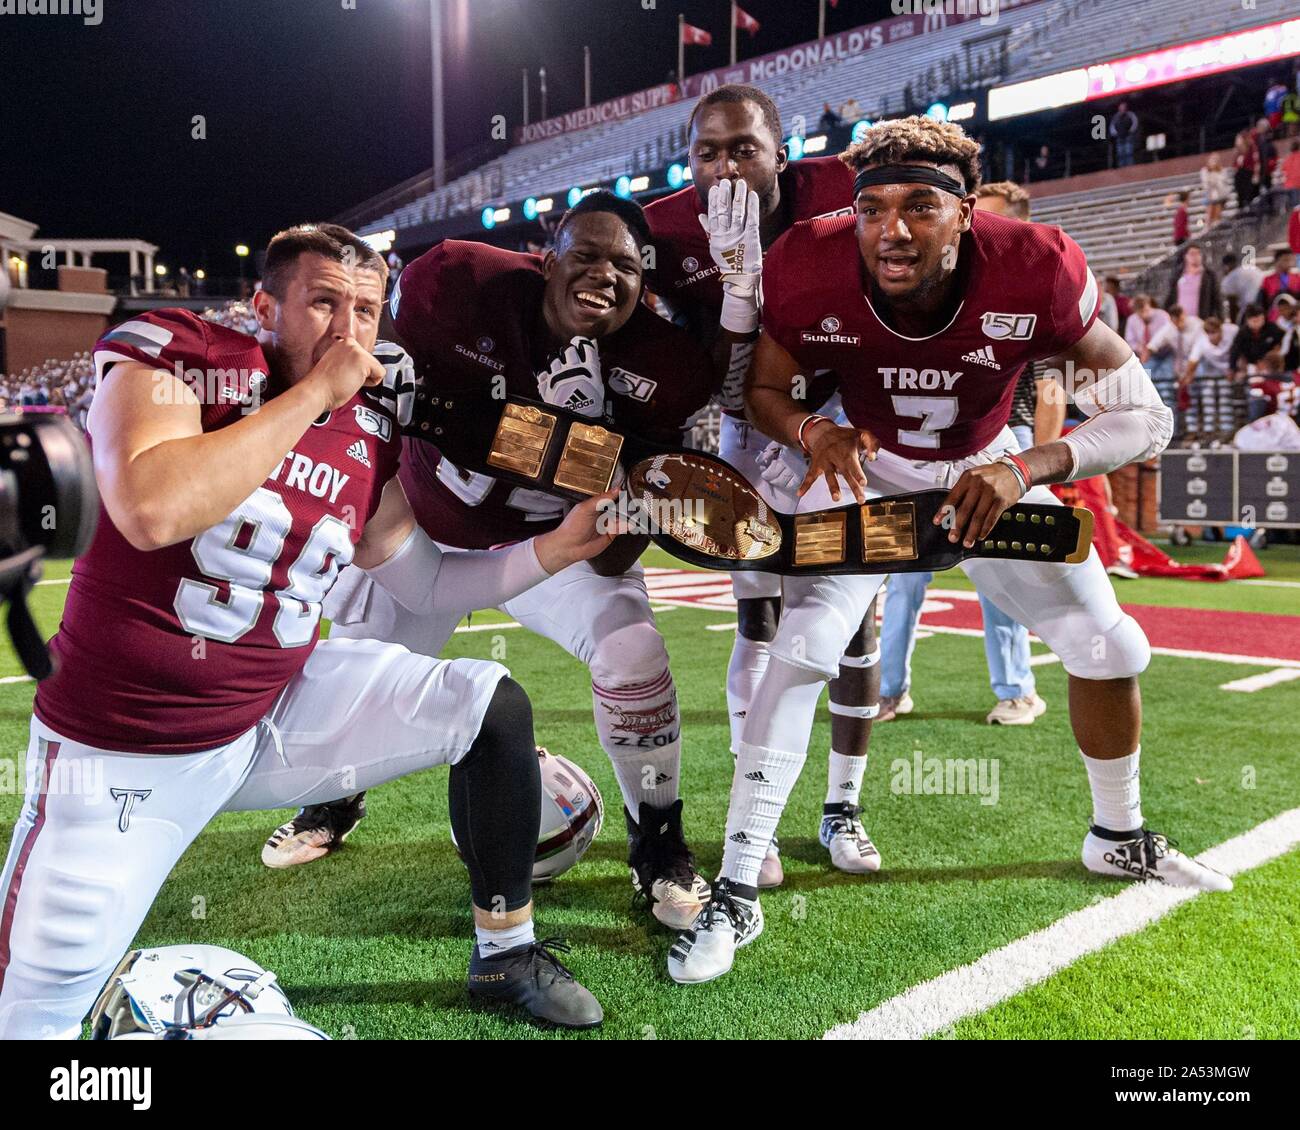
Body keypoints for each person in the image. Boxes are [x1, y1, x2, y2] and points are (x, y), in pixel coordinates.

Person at [0, 223, 623, 1037]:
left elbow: (428, 585)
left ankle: (505, 955)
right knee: (33, 1018)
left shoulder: (366, 429)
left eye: (366, 311)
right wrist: (313, 397)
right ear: (263, 307)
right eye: (323, 302)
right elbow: (152, 509)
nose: (348, 332)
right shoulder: (182, 356)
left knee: (488, 705)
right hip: (124, 752)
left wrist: (554, 548)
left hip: (272, 714)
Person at [668, 116, 1229, 986]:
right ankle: (737, 888)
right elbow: (769, 389)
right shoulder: (811, 259)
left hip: (982, 472)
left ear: (965, 212)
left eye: (921, 207)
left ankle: (1115, 836)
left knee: (1110, 645)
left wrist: (1027, 465)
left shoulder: (1034, 265)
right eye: (874, 208)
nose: (891, 230)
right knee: (804, 647)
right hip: (869, 472)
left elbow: (1144, 414)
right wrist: (815, 429)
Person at [280, 193, 717, 931]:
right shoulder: (458, 281)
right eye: (587, 255)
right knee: (352, 672)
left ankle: (658, 838)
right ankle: (334, 796)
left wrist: (619, 474)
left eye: (627, 267)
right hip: (426, 529)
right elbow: (378, 386)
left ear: (647, 286)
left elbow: (614, 561)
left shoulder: (663, 367)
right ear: (548, 257)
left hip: (558, 549)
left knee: (634, 653)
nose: (605, 275)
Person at [644, 84, 881, 884]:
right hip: (749, 418)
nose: (726, 166)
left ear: (781, 151)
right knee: (760, 612)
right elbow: (714, 375)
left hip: (849, 420)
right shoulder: (668, 231)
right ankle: (761, 812)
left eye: (744, 147)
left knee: (854, 620)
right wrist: (741, 303)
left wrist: (841, 419)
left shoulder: (843, 198)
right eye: (707, 151)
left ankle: (843, 805)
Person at [877, 180, 1051, 728]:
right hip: (924, 449)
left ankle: (1018, 688)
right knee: (903, 575)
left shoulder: (1029, 293)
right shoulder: (939, 287)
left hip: (1002, 444)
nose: (976, 236)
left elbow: (1050, 389)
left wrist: (1039, 464)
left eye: (994, 224)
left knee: (997, 574)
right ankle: (889, 689)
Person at [1181, 315, 1239, 440]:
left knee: (1225, 396)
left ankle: (1226, 429)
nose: (1213, 336)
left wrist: (1237, 369)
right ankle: (1209, 430)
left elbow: (1242, 344)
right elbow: (1193, 361)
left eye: (1215, 332)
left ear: (1221, 329)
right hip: (1211, 372)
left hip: (1229, 370)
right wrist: (1188, 376)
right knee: (1208, 397)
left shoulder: (1232, 330)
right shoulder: (1201, 341)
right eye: (1209, 333)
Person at [1165, 243, 1220, 321]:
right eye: (1192, 254)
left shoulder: (1209, 275)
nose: (1196, 256)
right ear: (1185, 256)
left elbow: (1216, 298)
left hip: (1201, 318)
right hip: (1181, 319)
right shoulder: (1178, 275)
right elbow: (1170, 297)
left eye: (1198, 253)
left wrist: (1220, 318)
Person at [1221, 251, 1265, 324]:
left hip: (1249, 310)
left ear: (1226, 266)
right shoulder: (1253, 269)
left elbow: (1233, 305)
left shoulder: (1229, 278)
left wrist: (1233, 324)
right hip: (1264, 306)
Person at [1200, 153, 1230, 227]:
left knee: (1217, 213)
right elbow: (1206, 184)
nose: (1213, 162)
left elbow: (1221, 184)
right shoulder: (1205, 171)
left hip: (1220, 195)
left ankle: (1216, 225)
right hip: (1210, 195)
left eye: (1215, 160)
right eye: (1212, 160)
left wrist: (1214, 178)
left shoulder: (1222, 171)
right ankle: (1208, 227)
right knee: (1209, 214)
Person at [1110, 101, 1139, 167]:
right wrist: (1115, 134)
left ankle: (1130, 167)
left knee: (1129, 152)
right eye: (1121, 107)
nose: (1122, 108)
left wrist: (1131, 131)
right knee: (1120, 154)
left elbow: (1135, 123)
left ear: (1126, 108)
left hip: (1128, 136)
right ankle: (1122, 168)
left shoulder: (1130, 114)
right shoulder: (1116, 116)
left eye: (1123, 107)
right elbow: (1112, 126)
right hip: (1119, 137)